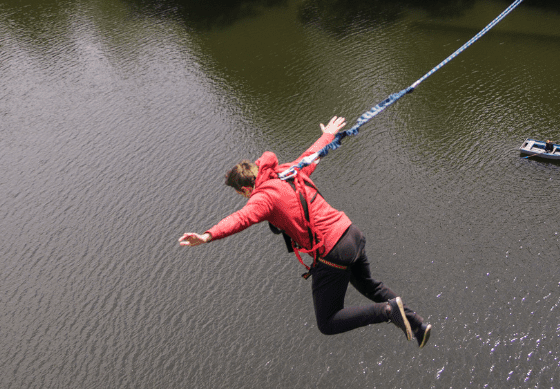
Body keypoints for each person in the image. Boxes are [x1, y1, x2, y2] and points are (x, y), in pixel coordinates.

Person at [179, 115, 432, 348]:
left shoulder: (262, 197)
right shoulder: (288, 171)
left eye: (241, 194)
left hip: (332, 251)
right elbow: (314, 153)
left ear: (244, 190)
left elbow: (240, 219)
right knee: (368, 285)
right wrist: (328, 134)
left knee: (328, 321)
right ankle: (418, 325)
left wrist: (207, 235)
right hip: (351, 233)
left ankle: (387, 312)